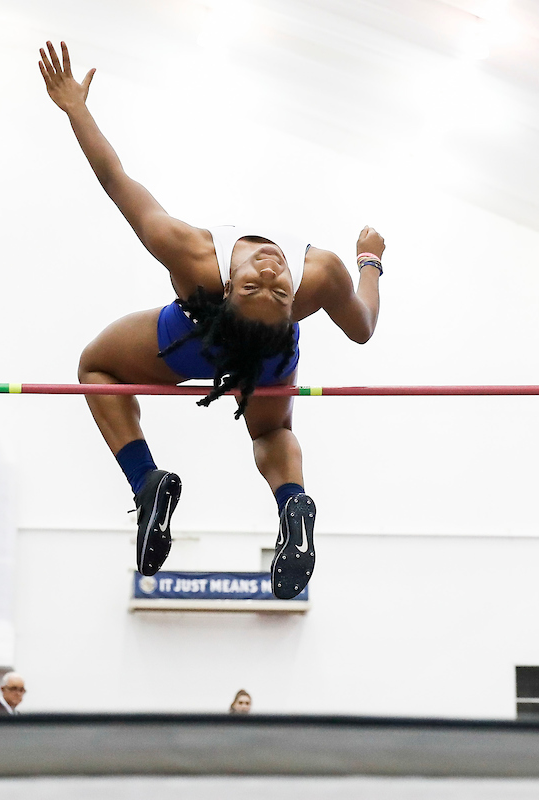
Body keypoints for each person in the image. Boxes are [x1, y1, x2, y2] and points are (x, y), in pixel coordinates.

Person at [39, 41, 384, 600]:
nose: (272, 270)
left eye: (267, 286)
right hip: (261, 353)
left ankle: (147, 481)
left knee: (96, 366)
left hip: (197, 336)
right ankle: (290, 498)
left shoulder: (195, 257)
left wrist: (77, 108)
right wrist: (369, 259)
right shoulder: (316, 275)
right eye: (267, 285)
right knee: (271, 429)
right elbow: (363, 323)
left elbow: (118, 180)